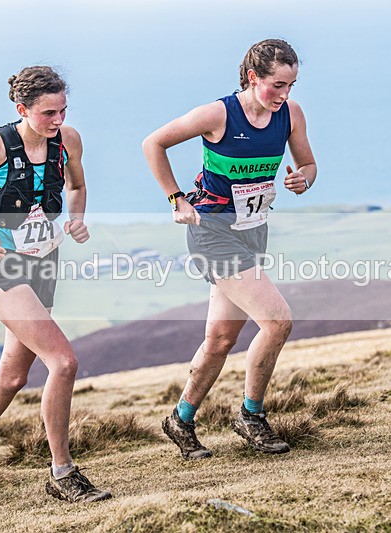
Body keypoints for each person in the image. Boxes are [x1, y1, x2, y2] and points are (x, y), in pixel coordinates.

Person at [0, 66, 110, 504]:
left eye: (63, 110)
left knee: (10, 378)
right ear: (21, 109)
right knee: (63, 362)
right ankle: (62, 472)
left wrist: (78, 218)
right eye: (48, 113)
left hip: (43, 266)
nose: (58, 121)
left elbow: (77, 184)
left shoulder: (69, 141)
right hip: (2, 267)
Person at [142, 39, 317, 459]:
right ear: (253, 78)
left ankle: (180, 419)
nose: (285, 95)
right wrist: (175, 198)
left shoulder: (290, 114)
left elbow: (308, 164)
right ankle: (250, 415)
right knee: (277, 321)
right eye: (277, 85)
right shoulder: (218, 114)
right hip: (212, 231)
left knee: (220, 340)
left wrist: (303, 179)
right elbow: (154, 143)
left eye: (291, 84)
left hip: (252, 229)